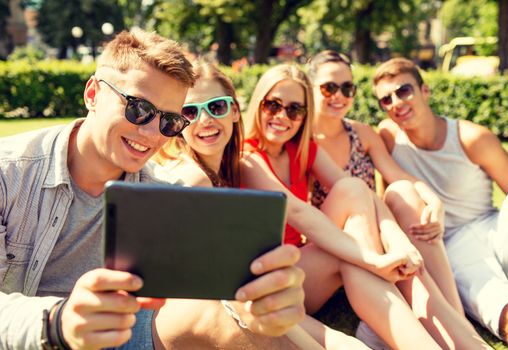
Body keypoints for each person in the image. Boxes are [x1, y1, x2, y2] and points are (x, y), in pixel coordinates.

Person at [0, 30, 306, 350]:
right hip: (35, 335)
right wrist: (57, 323)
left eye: (169, 122)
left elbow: (217, 294)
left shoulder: (166, 196)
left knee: (232, 323)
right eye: (139, 108)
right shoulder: (9, 173)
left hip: (123, 333)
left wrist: (269, 304)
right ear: (93, 94)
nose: (150, 133)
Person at [240, 63, 490, 349]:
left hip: (302, 266)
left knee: (353, 193)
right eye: (273, 105)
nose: (283, 116)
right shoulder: (247, 158)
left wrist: (397, 242)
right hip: (272, 280)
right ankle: (438, 336)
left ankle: (454, 337)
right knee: (358, 255)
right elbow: (298, 212)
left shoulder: (302, 149)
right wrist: (374, 259)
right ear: (258, 104)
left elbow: (362, 192)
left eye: (294, 110)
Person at [154, 59, 369, 349]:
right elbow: (228, 293)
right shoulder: (193, 179)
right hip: (199, 317)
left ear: (232, 110)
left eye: (215, 107)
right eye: (190, 112)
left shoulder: (228, 171)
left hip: (249, 303)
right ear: (179, 122)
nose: (204, 119)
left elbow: (297, 212)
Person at [373, 57, 508, 349]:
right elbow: (386, 198)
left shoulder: (471, 137)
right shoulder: (389, 137)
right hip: (449, 246)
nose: (396, 103)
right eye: (386, 99)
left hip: (498, 233)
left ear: (424, 91)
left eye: (404, 91)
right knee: (499, 301)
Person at [307, 50, 462, 313]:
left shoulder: (362, 133)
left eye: (347, 88)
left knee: (403, 191)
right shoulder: (302, 140)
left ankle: (452, 309)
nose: (339, 96)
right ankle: (434, 314)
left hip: (377, 233)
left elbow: (398, 175)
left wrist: (434, 200)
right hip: (334, 246)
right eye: (329, 87)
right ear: (309, 89)